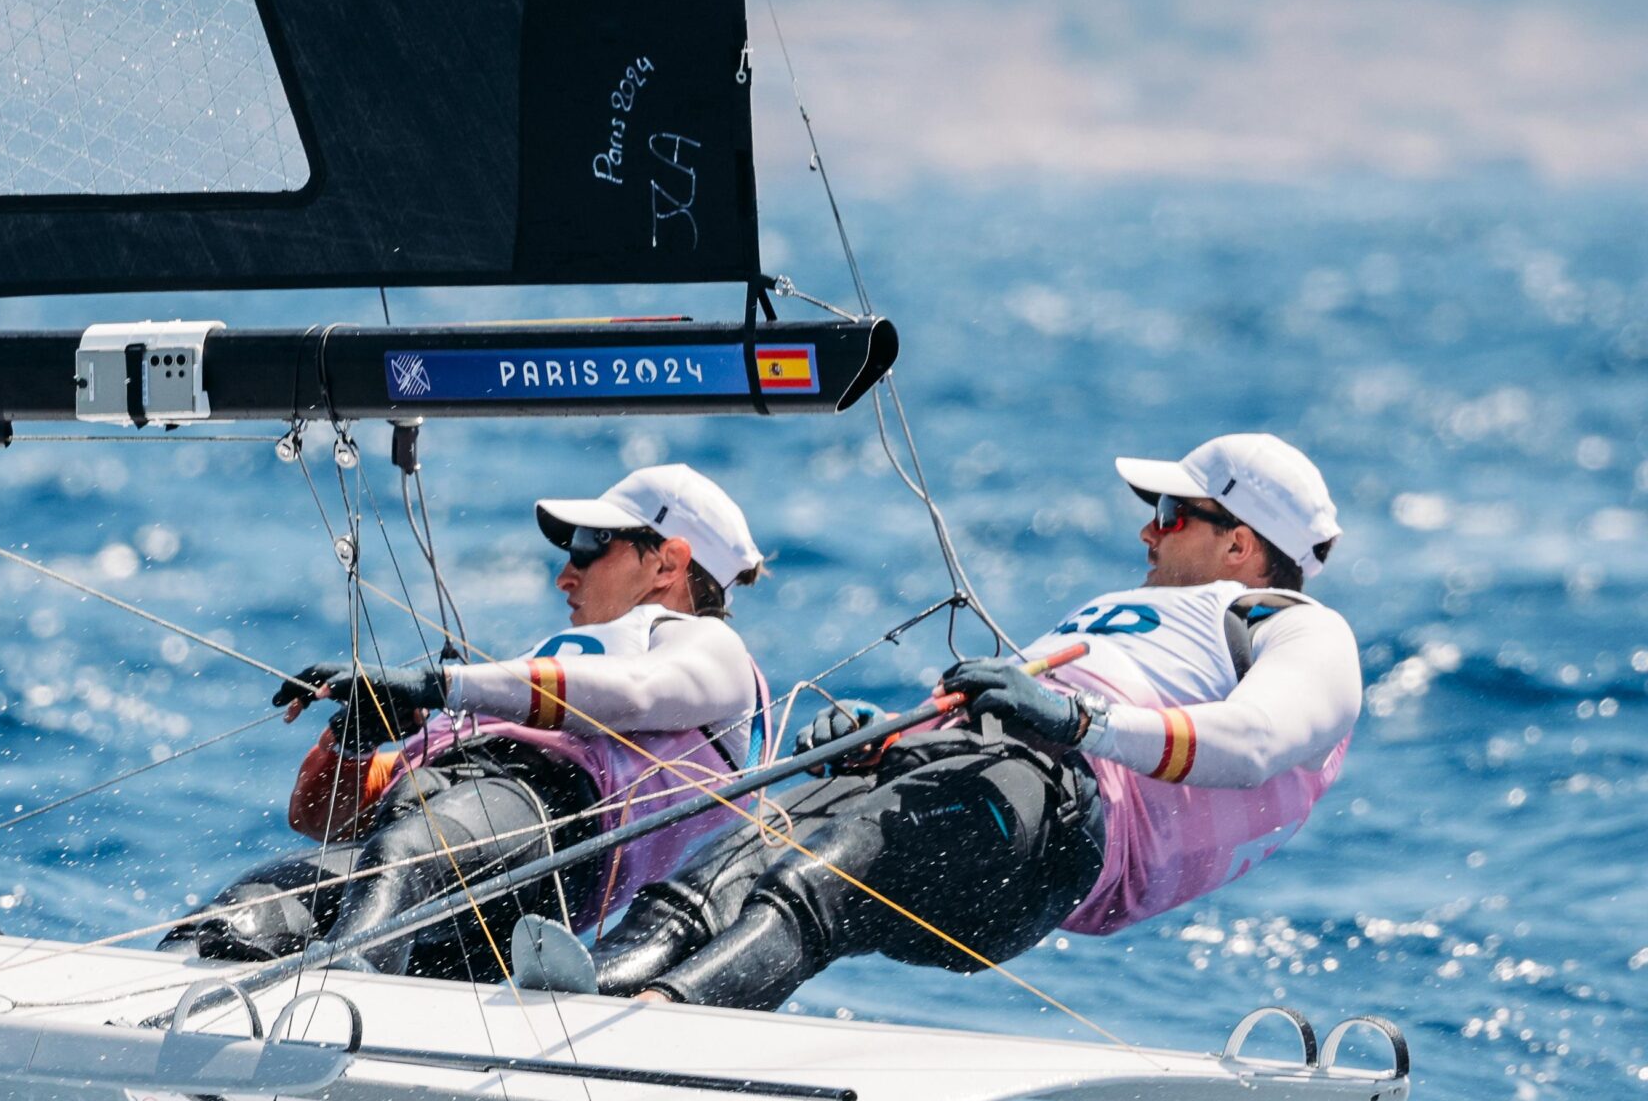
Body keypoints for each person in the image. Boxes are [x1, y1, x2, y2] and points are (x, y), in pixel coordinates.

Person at [589, 431, 1360, 1009]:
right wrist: (890, 736)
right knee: (733, 857)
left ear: (1239, 544)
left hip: (1058, 827)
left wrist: (1079, 721)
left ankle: (658, 1019)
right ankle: (587, 992)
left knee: (816, 869)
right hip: (979, 778)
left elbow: (1257, 741)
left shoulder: (1298, 626)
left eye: (1170, 513)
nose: (1147, 531)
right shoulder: (1140, 612)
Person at [172, 463, 770, 977]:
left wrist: (439, 686)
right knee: (257, 898)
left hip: (545, 836)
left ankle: (337, 1011)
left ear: (668, 563)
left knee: (403, 857)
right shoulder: (549, 663)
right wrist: (353, 744)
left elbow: (637, 695)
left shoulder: (711, 649)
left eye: (590, 544)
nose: (566, 573)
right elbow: (320, 819)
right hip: (430, 857)